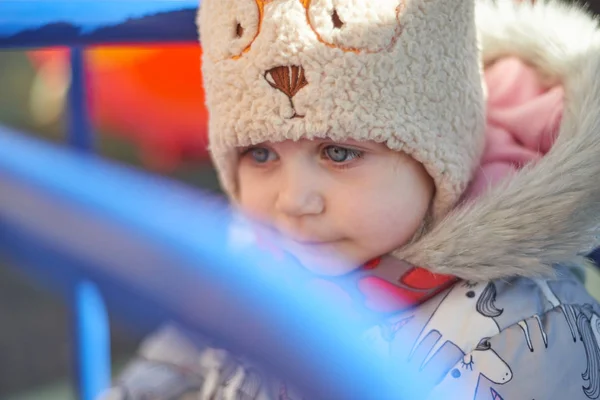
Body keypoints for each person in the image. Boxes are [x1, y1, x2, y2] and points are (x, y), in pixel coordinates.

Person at [102, 0, 600, 398]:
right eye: (260, 153)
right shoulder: (248, 257)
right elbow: (162, 372)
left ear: (439, 155)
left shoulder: (528, 331)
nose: (294, 201)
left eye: (339, 152)